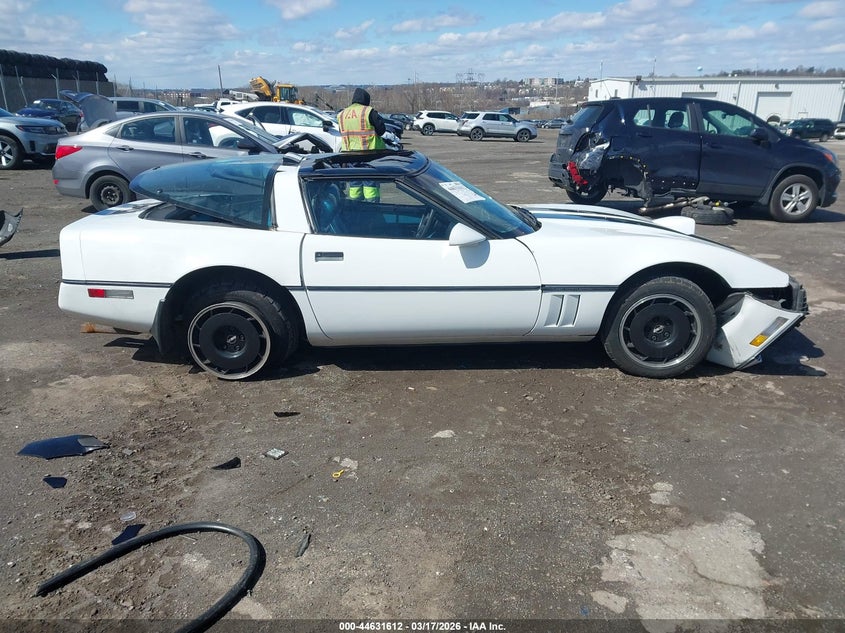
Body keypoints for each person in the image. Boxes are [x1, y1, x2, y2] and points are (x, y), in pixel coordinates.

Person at [337, 88, 387, 202]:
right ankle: (372, 209)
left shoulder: (342, 114)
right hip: (369, 155)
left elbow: (342, 132)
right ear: (366, 100)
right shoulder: (368, 111)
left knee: (355, 184)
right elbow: (381, 130)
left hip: (350, 155)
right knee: (370, 186)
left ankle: (355, 208)